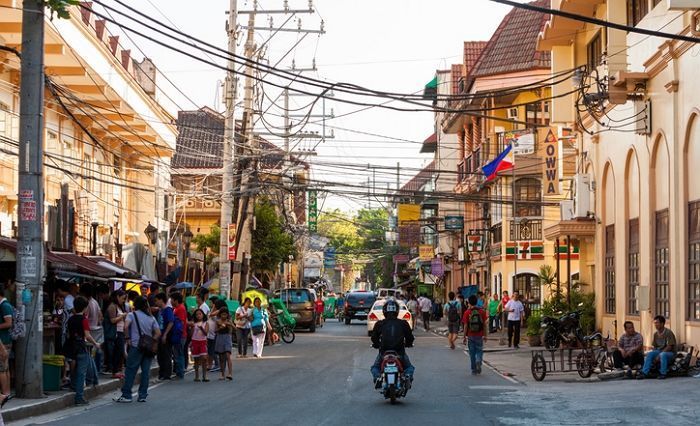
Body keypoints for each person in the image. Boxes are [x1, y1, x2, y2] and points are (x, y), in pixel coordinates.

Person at [114, 296, 160, 403]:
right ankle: (142, 395)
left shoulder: (132, 315)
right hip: (147, 348)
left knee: (130, 370)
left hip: (136, 346)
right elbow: (158, 333)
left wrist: (127, 338)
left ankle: (127, 395)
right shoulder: (151, 317)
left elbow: (125, 327)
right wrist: (151, 341)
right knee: (145, 371)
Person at [370, 299, 415, 388]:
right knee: (409, 368)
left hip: (384, 352)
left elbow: (374, 338)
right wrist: (409, 343)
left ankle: (378, 377)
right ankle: (407, 376)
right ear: (397, 311)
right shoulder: (403, 323)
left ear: (384, 311)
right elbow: (410, 337)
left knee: (375, 368)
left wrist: (376, 344)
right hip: (399, 353)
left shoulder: (380, 323)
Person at [64, 296, 100, 405]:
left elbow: (69, 334)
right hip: (81, 346)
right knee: (81, 373)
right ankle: (79, 396)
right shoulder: (84, 320)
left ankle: (77, 385)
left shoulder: (71, 319)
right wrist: (95, 343)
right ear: (85, 308)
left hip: (71, 346)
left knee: (75, 369)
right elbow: (87, 335)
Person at [639, 315, 677, 380]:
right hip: (659, 351)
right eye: (655, 323)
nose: (655, 325)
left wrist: (658, 355)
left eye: (657, 323)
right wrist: (654, 354)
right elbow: (655, 347)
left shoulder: (668, 332)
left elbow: (669, 347)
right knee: (650, 354)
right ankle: (644, 372)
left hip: (670, 353)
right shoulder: (656, 334)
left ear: (662, 323)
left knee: (662, 355)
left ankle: (663, 373)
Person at [80, 283, 102, 384]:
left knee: (88, 357)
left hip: (88, 332)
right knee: (91, 356)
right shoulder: (95, 302)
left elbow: (85, 317)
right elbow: (100, 316)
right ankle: (94, 378)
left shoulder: (87, 304)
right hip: (95, 331)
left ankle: (91, 379)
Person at [462, 295, 488, 375]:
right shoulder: (482, 312)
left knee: (472, 352)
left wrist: (464, 336)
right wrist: (485, 335)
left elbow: (465, 325)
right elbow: (484, 325)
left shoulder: (467, 312)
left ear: (469, 303)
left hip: (470, 335)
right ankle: (478, 360)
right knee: (479, 350)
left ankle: (474, 369)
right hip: (479, 335)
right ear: (476, 302)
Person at [106, 290, 128, 379]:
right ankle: (115, 371)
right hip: (116, 332)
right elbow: (112, 320)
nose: (123, 300)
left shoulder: (119, 306)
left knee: (119, 352)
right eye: (123, 298)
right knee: (117, 351)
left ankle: (117, 370)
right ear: (117, 297)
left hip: (120, 331)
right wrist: (122, 316)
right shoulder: (112, 307)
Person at [153, 293, 174, 381]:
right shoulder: (160, 310)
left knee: (166, 355)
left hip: (166, 336)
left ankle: (166, 374)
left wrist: (165, 334)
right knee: (160, 355)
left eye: (156, 300)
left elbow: (171, 322)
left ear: (161, 299)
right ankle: (161, 374)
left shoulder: (168, 310)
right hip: (160, 335)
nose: (156, 302)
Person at [170, 292, 187, 379]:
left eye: (172, 299)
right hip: (180, 334)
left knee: (178, 354)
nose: (171, 301)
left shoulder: (180, 309)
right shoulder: (178, 308)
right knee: (178, 353)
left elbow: (180, 323)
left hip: (179, 335)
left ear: (176, 300)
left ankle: (180, 373)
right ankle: (179, 372)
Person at [0, 289, 13, 402]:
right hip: (4, 341)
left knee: (2, 369)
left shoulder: (4, 306)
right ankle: (7, 392)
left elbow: (8, 323)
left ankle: (5, 393)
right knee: (5, 368)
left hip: (3, 342)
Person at [214, 309, 234, 380]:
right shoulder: (218, 321)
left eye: (225, 314)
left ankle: (230, 373)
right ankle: (222, 374)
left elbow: (234, 329)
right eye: (222, 314)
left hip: (227, 338)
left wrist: (229, 325)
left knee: (228, 355)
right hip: (220, 338)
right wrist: (220, 328)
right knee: (221, 357)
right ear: (220, 315)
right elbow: (215, 331)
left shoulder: (229, 321)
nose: (224, 316)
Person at [190, 309, 209, 382]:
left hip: (202, 342)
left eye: (200, 314)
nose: (198, 316)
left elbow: (206, 333)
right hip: (195, 341)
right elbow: (191, 334)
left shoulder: (205, 323)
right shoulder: (194, 324)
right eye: (197, 314)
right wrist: (192, 328)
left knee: (204, 359)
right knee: (196, 360)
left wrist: (201, 329)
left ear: (203, 315)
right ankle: (197, 376)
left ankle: (205, 376)